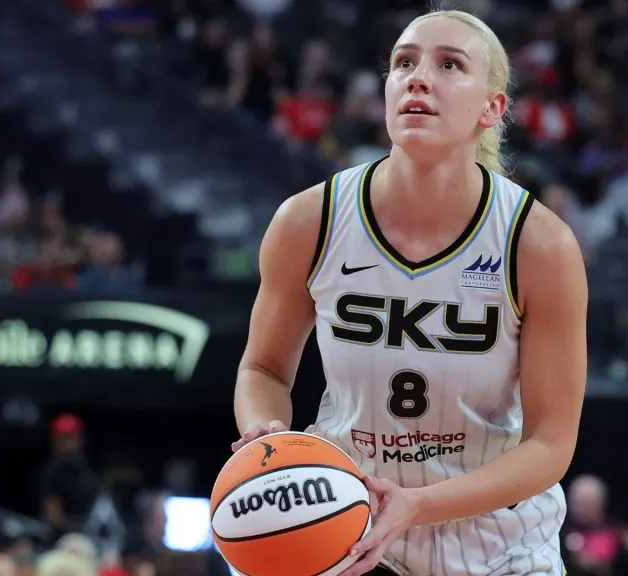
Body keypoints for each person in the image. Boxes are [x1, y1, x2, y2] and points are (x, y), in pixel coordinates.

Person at [231, 8, 588, 576]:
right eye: (404, 63)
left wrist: (417, 506)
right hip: (349, 533)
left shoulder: (539, 246)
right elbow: (264, 371)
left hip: (497, 546)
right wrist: (264, 435)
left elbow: (550, 446)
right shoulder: (309, 221)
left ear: (491, 109)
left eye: (449, 64)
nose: (418, 76)